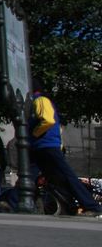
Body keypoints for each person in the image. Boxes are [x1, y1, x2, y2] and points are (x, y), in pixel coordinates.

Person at [28, 82, 102, 217]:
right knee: (52, 178)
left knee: (66, 176)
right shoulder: (38, 100)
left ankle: (91, 206)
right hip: (42, 146)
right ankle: (71, 206)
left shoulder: (40, 100)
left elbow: (48, 120)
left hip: (46, 145)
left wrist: (34, 134)